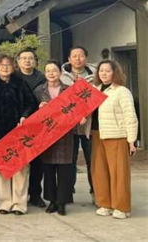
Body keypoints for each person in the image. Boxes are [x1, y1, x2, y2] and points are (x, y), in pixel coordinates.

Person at [0, 54, 36, 215]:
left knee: (20, 169)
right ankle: (4, 202)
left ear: (13, 67)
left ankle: (19, 203)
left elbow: (31, 103)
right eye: (2, 65)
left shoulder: (20, 84)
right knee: (2, 168)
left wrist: (25, 116)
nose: (5, 68)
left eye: (8, 65)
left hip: (19, 132)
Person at [91, 60, 138, 220]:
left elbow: (130, 116)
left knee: (119, 173)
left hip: (116, 136)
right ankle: (105, 204)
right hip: (97, 135)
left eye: (107, 71)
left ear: (115, 72)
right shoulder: (95, 90)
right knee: (100, 172)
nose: (103, 73)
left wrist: (132, 140)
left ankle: (121, 207)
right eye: (101, 70)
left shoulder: (122, 91)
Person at [34, 60, 80, 216]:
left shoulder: (69, 89)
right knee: (48, 169)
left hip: (65, 134)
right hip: (46, 135)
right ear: (44, 73)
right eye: (48, 71)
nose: (51, 73)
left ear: (60, 72)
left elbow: (77, 109)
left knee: (64, 169)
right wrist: (39, 109)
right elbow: (32, 114)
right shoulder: (39, 91)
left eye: (54, 70)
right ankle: (52, 201)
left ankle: (62, 202)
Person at [61, 46, 96, 197]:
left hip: (90, 125)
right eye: (74, 56)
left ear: (86, 58)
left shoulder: (95, 76)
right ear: (69, 59)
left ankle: (95, 191)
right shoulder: (62, 77)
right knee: (70, 160)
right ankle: (68, 191)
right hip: (70, 127)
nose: (78, 59)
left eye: (81, 56)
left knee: (92, 160)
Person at [15, 48, 45, 208]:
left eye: (30, 58)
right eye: (24, 58)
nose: (27, 61)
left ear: (35, 61)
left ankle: (35, 194)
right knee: (19, 161)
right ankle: (19, 195)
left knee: (37, 162)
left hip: (39, 125)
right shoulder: (13, 78)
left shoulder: (42, 78)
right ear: (18, 61)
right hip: (18, 123)